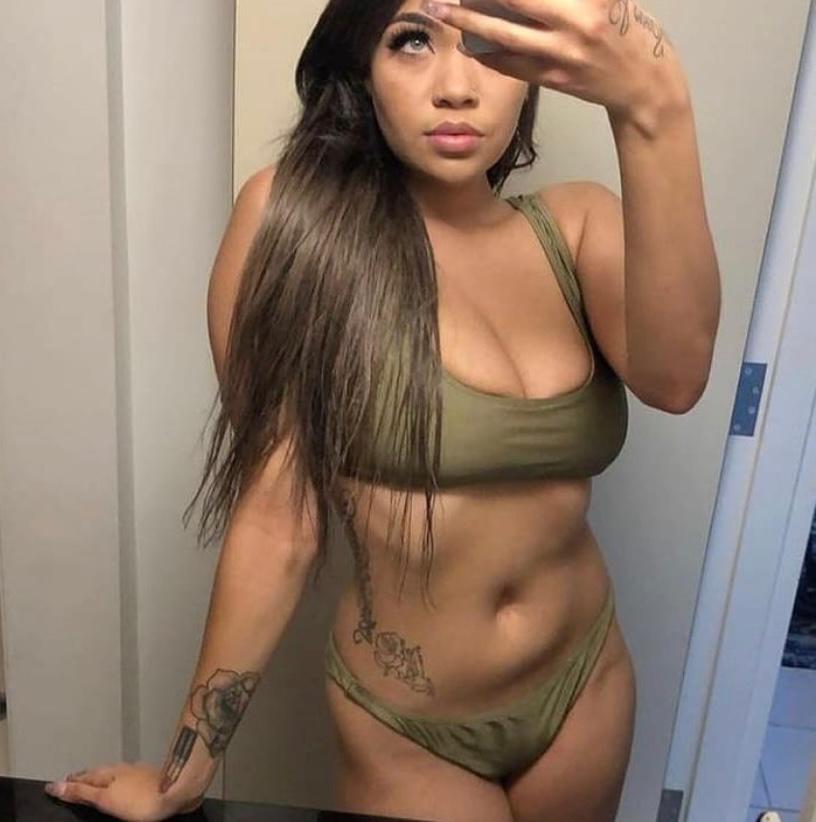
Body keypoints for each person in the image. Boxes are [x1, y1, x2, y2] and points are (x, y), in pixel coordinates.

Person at [44, 1, 719, 820]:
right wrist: (185, 770)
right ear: (361, 66)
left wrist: (655, 106)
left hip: (585, 683)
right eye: (412, 42)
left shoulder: (576, 228)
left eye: (487, 47)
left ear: (532, 74)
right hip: (411, 725)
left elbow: (676, 381)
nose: (457, 87)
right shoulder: (299, 231)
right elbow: (277, 520)